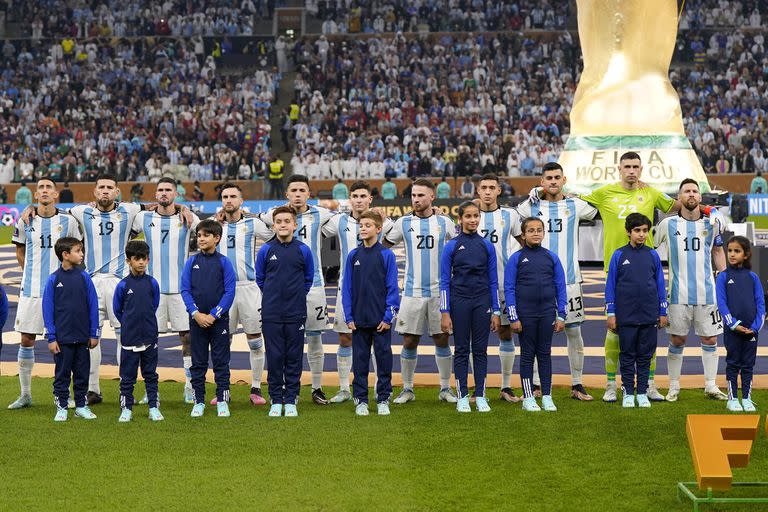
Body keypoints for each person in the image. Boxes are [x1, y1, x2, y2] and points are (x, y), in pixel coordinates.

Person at [567, 152, 680, 402]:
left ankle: (648, 384)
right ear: (619, 168)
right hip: (614, 267)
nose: (631, 170)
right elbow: (574, 200)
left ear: (641, 169)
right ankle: (611, 385)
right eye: (627, 166)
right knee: (615, 330)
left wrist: (655, 189)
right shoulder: (604, 192)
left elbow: (678, 206)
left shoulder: (650, 193)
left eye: (635, 166)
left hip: (646, 268)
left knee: (647, 330)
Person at [517, 163, 598, 401]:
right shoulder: (531, 204)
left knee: (574, 331)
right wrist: (532, 193)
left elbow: (597, 209)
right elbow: (515, 214)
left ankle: (577, 383)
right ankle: (537, 384)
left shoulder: (576, 205)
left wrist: (579, 195)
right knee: (534, 333)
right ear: (541, 182)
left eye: (556, 178)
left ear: (564, 180)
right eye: (548, 178)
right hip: (536, 281)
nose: (552, 181)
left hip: (569, 281)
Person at [8, 178, 81, 410]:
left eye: (49, 187)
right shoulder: (25, 220)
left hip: (61, 293)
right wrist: (30, 274)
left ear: (56, 194)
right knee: (26, 339)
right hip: (31, 290)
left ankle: (62, 395)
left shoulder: (68, 221)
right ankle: (26, 394)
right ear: (36, 195)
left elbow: (77, 251)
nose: (45, 191)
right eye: (41, 188)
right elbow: (20, 251)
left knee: (62, 343)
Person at [260, 175, 334, 405]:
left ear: (309, 194)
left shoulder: (321, 214)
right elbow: (252, 217)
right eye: (294, 190)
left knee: (314, 336)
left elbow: (349, 218)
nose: (298, 194)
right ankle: (279, 389)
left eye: (303, 190)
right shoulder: (273, 214)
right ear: (287, 194)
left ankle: (317, 387)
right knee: (282, 341)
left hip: (314, 285)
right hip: (283, 289)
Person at [383, 178, 457, 404]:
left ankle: (445, 388)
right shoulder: (403, 222)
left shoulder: (445, 222)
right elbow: (383, 247)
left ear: (432, 197)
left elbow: (458, 250)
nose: (416, 199)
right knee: (409, 341)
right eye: (414, 195)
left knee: (441, 339)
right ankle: (407, 389)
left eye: (421, 195)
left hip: (439, 293)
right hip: (412, 292)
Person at [655, 179, 727, 401]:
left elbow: (717, 252)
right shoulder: (668, 225)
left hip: (707, 293)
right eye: (686, 191)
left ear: (700, 197)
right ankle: (674, 386)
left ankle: (710, 386)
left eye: (695, 191)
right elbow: (652, 249)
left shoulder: (711, 223)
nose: (691, 194)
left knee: (710, 340)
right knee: (677, 340)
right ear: (680, 198)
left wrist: (724, 281)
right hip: (677, 295)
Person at [131, 177, 200, 403]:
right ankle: (151, 389)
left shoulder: (189, 218)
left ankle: (190, 386)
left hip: (181, 291)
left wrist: (184, 209)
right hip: (152, 290)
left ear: (175, 194)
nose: (163, 193)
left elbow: (205, 237)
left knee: (187, 338)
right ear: (155, 193)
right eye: (160, 190)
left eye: (168, 190)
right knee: (150, 339)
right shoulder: (144, 217)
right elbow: (124, 229)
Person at [323, 181, 393, 403]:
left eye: (363, 196)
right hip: (348, 288)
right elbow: (313, 220)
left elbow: (403, 229)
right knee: (345, 338)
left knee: (376, 341)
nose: (359, 200)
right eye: (355, 196)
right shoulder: (339, 220)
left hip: (374, 291)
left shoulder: (384, 221)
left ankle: (379, 390)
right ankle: (345, 388)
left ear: (370, 199)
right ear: (350, 199)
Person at [217, 183, 274, 406]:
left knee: (255, 340)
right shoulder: (214, 224)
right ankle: (223, 389)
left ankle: (256, 388)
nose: (228, 200)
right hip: (223, 290)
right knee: (223, 341)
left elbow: (276, 236)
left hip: (250, 288)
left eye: (233, 196)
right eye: (225, 196)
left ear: (241, 200)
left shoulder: (253, 223)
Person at [440, 201, 500, 413]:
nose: (473, 220)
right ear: (460, 219)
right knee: (462, 350)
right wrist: (445, 312)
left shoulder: (486, 245)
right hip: (459, 302)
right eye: (468, 216)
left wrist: (496, 311)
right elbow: (444, 281)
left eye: (476, 216)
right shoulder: (452, 246)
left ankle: (481, 395)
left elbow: (493, 280)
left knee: (481, 350)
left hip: (482, 302)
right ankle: (462, 396)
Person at [255, 206, 314, 418]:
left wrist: (296, 295)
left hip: (296, 312)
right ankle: (275, 399)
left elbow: (308, 278)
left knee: (293, 357)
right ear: (273, 225)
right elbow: (260, 279)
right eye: (278, 221)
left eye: (286, 221)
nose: (282, 224)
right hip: (271, 313)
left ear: (294, 225)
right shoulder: (266, 250)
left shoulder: (303, 250)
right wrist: (273, 296)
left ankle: (291, 399)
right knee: (275, 356)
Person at [605, 213, 668, 408]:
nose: (641, 234)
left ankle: (641, 392)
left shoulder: (653, 255)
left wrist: (662, 311)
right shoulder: (618, 255)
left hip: (649, 314)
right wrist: (611, 313)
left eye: (645, 231)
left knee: (645, 355)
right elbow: (610, 285)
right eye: (637, 231)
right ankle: (627, 392)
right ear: (628, 232)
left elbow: (659, 284)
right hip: (626, 315)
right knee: (627, 354)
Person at [504, 217, 566, 412]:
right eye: (531, 230)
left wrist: (561, 314)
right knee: (527, 355)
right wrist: (513, 317)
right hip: (526, 315)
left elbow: (560, 287)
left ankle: (547, 396)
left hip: (547, 313)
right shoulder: (516, 258)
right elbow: (509, 288)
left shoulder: (551, 257)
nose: (535, 233)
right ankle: (528, 397)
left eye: (539, 230)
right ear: (523, 235)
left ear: (544, 233)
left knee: (545, 355)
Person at [342, 210, 400, 416]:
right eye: (361, 225)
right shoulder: (353, 255)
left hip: (380, 321)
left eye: (368, 225)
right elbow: (347, 287)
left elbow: (393, 288)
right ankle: (361, 400)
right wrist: (348, 316)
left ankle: (383, 398)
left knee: (384, 359)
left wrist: (388, 316)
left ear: (378, 229)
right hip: (358, 320)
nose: (363, 229)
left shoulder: (386, 255)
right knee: (359, 360)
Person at [180, 219, 237, 418]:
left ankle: (222, 400)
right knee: (198, 362)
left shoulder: (224, 262)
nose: (201, 239)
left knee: (221, 362)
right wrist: (196, 314)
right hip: (197, 321)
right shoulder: (191, 262)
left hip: (218, 321)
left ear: (217, 238)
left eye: (206, 235)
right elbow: (185, 290)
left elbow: (230, 292)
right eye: (199, 235)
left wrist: (213, 315)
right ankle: (199, 401)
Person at [475, 173, 522, 402]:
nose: (487, 191)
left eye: (491, 187)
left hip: (503, 283)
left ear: (498, 191)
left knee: (506, 332)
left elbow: (524, 244)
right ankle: (478, 388)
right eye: (483, 187)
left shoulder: (509, 215)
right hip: (476, 286)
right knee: (476, 337)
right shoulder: (469, 215)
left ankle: (505, 386)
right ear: (477, 190)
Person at [42, 237, 100, 422]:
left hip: (83, 337)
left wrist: (94, 333)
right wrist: (51, 337)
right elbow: (47, 309)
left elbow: (93, 305)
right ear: (65, 255)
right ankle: (62, 407)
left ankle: (81, 406)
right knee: (62, 375)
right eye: (77, 251)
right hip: (62, 339)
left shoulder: (84, 277)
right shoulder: (53, 279)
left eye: (81, 250)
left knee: (82, 374)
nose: (82, 254)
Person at [112, 240, 163, 422]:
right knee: (127, 376)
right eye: (137, 259)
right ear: (128, 261)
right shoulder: (123, 286)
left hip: (149, 336)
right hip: (129, 338)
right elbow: (118, 310)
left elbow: (154, 305)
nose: (141, 262)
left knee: (150, 374)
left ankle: (153, 408)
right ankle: (126, 409)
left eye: (144, 259)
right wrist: (129, 324)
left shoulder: (152, 283)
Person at [716, 236, 765, 412]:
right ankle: (732, 398)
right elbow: (722, 304)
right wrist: (733, 325)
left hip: (751, 331)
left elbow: (760, 304)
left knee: (748, 365)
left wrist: (754, 327)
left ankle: (746, 398)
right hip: (733, 331)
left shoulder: (752, 277)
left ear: (746, 254)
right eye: (729, 250)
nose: (732, 254)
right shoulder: (723, 277)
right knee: (733, 363)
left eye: (737, 251)